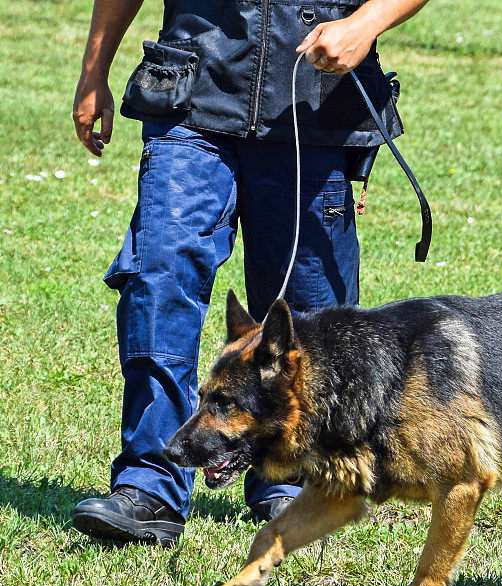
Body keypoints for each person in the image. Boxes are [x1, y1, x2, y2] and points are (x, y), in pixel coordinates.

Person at [71, 0, 429, 546]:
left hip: (312, 108)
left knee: (306, 317)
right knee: (160, 279)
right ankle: (149, 486)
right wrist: (94, 68)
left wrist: (365, 23)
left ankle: (292, 482)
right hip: (191, 99)